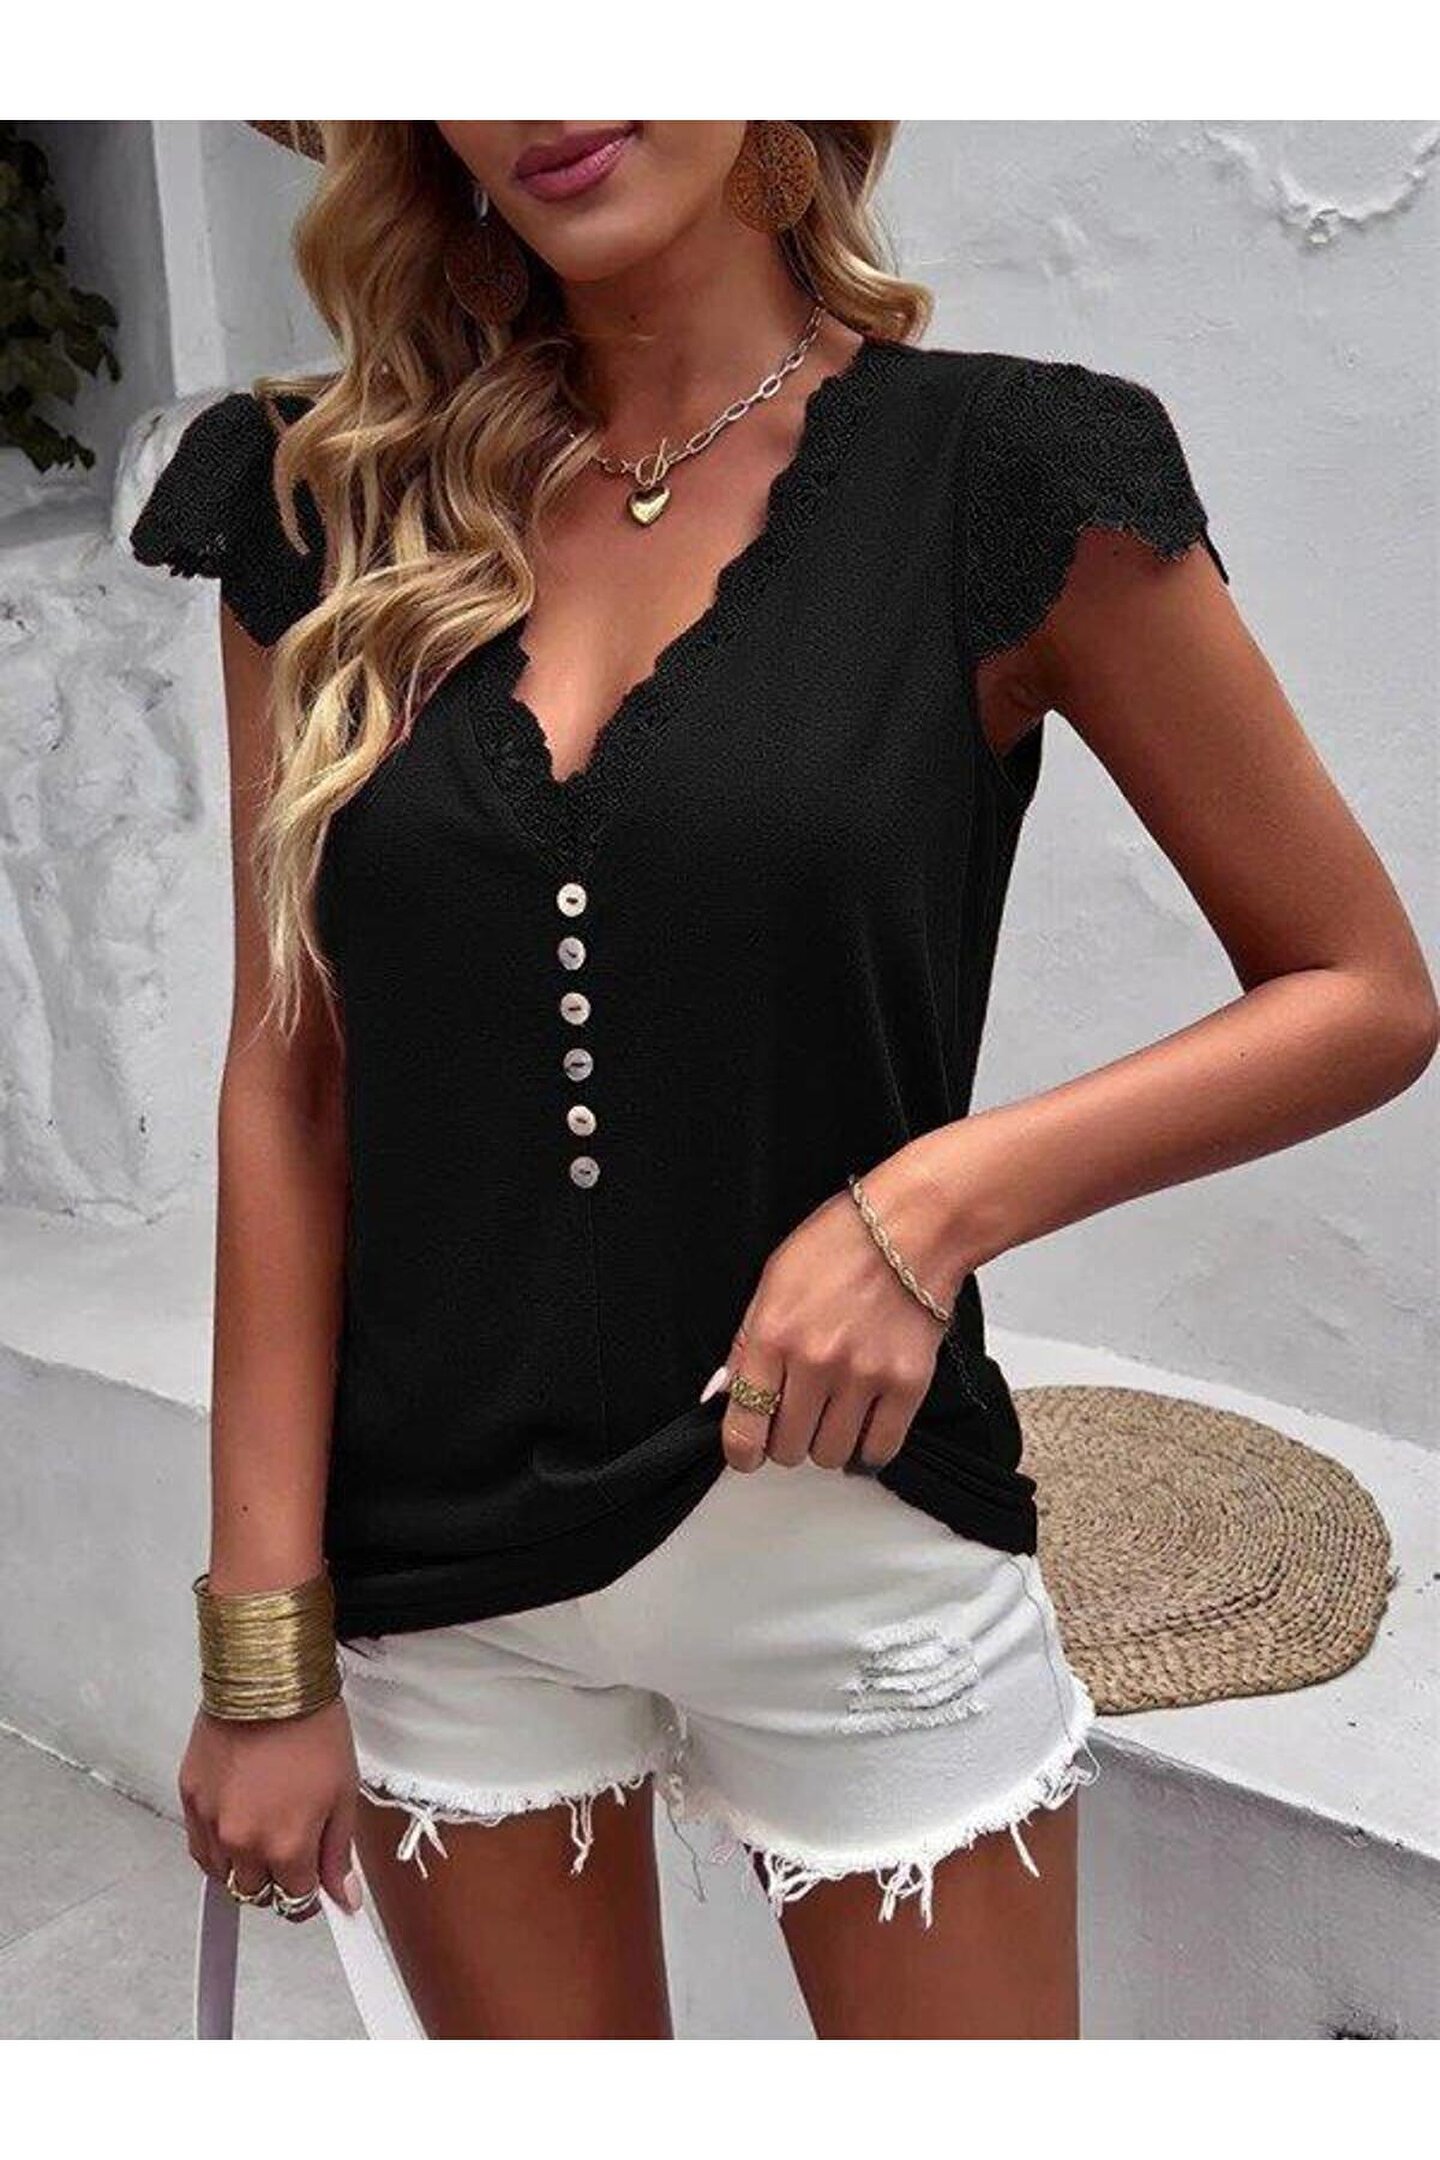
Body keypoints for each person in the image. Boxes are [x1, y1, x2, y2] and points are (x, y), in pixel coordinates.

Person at [129, 121, 1437, 2040]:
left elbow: (1362, 991)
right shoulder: (316, 500)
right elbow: (291, 1081)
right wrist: (264, 1646)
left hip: (855, 1544)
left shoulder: (1008, 472)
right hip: (436, 1583)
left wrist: (934, 1205)